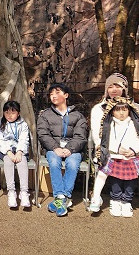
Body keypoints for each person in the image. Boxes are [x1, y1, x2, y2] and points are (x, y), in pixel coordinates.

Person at [89, 73, 139, 219]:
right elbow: (98, 136)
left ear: (124, 89)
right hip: (107, 151)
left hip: (133, 153)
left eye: (118, 86)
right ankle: (107, 199)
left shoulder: (136, 108)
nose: (114, 89)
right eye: (110, 86)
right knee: (105, 172)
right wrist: (109, 150)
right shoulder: (98, 109)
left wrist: (135, 151)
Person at [37, 83, 88, 216]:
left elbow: (81, 136)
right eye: (51, 93)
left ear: (66, 95)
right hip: (53, 149)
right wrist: (55, 148)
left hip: (73, 149)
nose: (53, 96)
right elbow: (43, 134)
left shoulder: (78, 116)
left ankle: (61, 197)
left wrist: (70, 148)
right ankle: (62, 196)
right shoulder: (45, 115)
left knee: (72, 163)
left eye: (57, 92)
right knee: (54, 162)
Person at [0, 100, 31, 208]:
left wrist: (19, 152)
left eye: (13, 112)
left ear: (18, 113)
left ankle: (24, 192)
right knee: (8, 161)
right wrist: (9, 153)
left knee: (22, 161)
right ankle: (11, 192)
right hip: (4, 150)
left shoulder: (23, 124)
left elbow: (24, 139)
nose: (9, 115)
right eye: (7, 112)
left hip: (19, 150)